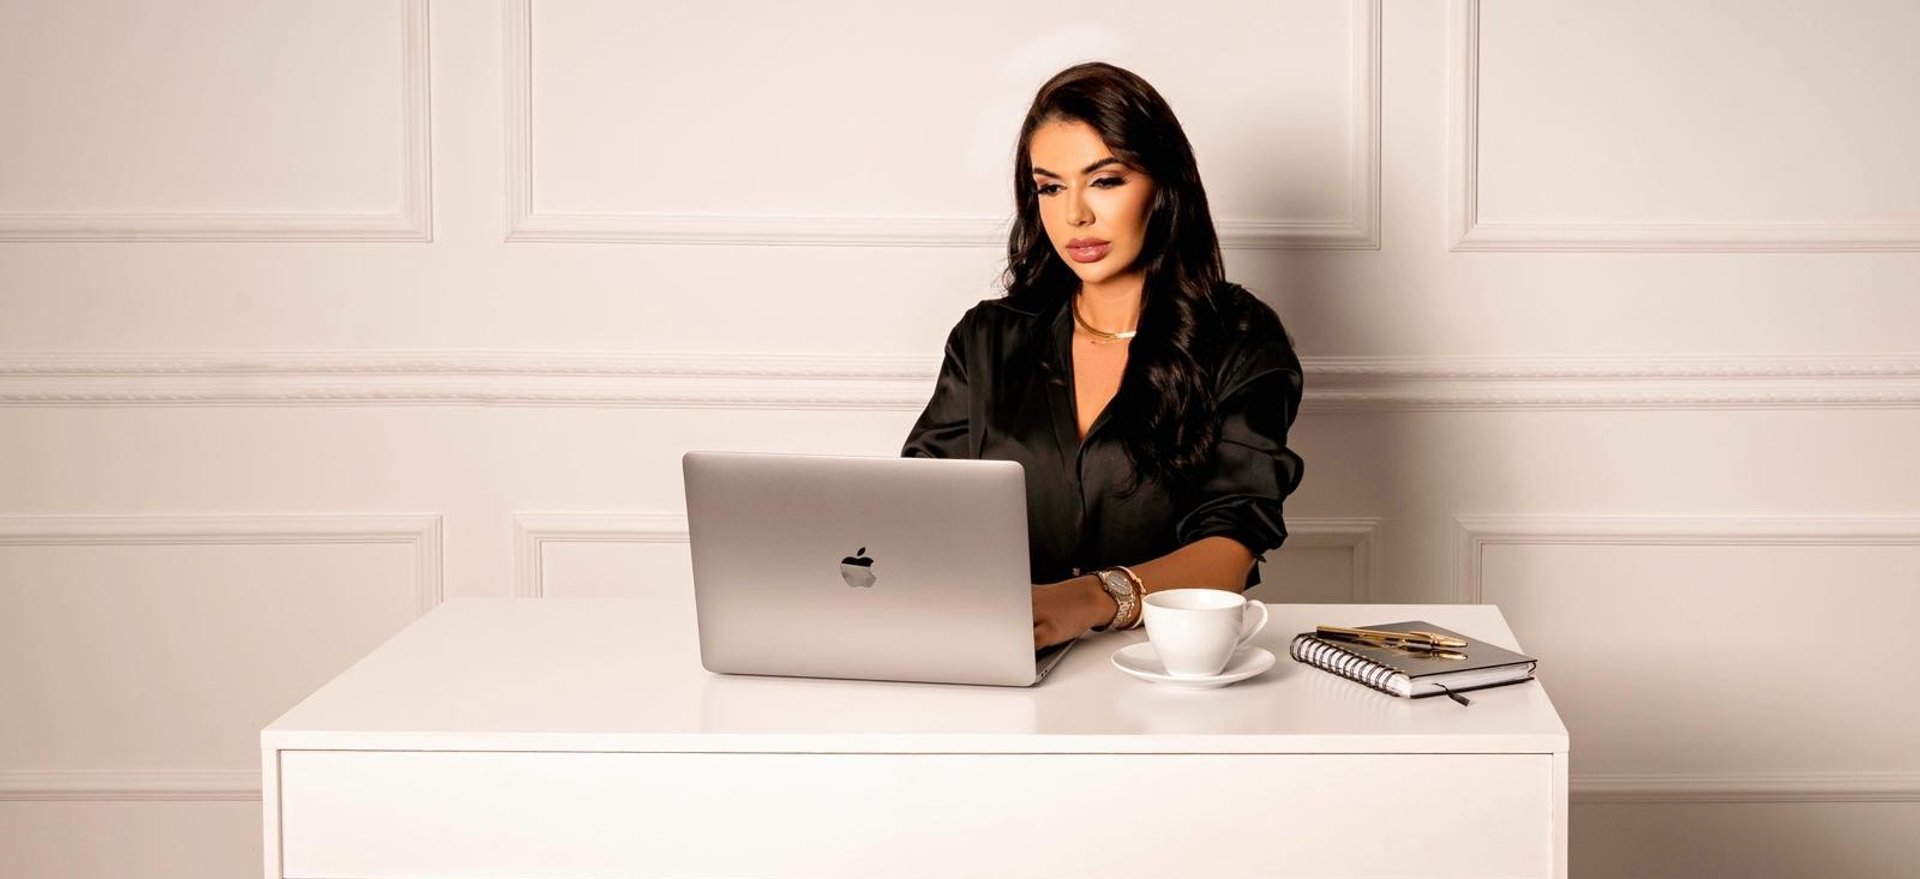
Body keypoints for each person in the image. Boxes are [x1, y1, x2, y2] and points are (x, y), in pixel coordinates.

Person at [901, 61, 1306, 651]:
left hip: (1167, 663)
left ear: (1163, 186)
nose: (1075, 216)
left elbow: (1232, 545)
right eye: (1051, 187)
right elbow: (918, 506)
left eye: (1106, 180)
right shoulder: (987, 338)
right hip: (1004, 653)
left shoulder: (1240, 336)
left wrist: (1090, 600)